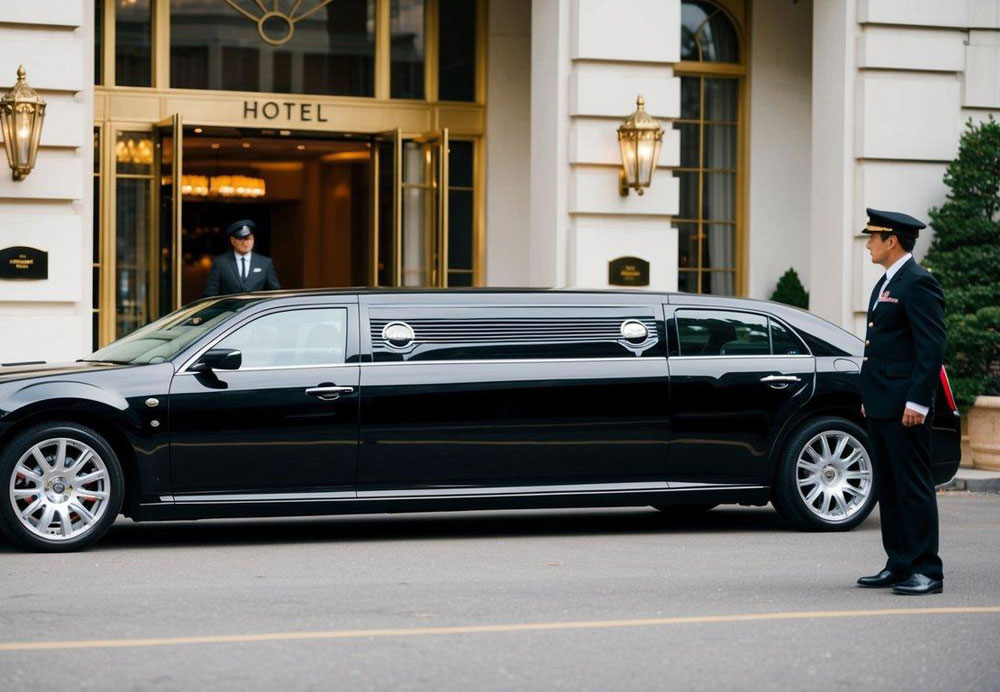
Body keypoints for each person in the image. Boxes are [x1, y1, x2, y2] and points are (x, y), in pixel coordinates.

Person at [856, 208, 947, 596]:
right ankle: (900, 563)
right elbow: (880, 348)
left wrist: (919, 402)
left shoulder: (918, 283)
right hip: (882, 403)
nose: (868, 244)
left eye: (872, 237)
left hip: (906, 407)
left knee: (912, 487)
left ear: (891, 240)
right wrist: (869, 397)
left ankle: (927, 569)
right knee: (889, 487)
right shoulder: (886, 283)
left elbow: (930, 349)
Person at [202, 219, 281, 297]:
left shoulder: (265, 263)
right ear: (233, 241)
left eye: (248, 238)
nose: (245, 243)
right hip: (229, 309)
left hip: (257, 309)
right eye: (241, 239)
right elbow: (210, 295)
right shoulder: (221, 263)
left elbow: (274, 293)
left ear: (253, 239)